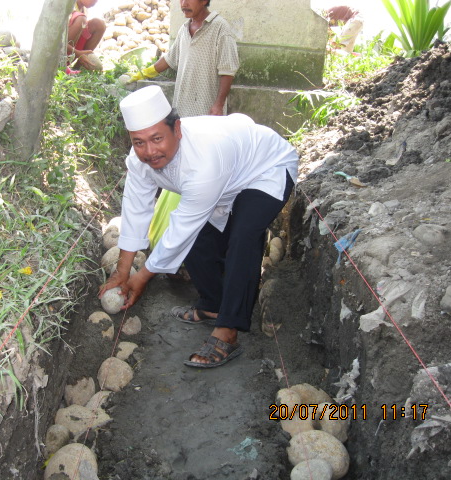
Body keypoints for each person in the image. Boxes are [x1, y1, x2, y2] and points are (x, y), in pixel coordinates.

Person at [99, 86, 298, 368]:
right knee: (198, 237)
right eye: (139, 142)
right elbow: (135, 208)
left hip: (266, 169)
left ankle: (228, 329)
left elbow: (183, 226)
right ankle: (213, 305)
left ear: (177, 129)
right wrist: (122, 272)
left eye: (157, 138)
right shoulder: (139, 160)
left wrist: (141, 277)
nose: (150, 151)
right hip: (227, 177)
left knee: (243, 237)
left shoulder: (204, 156)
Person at [127, 0, 240, 247]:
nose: (184, 3)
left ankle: (197, 239)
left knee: (200, 174)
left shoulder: (220, 29)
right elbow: (169, 60)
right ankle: (171, 238)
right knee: (177, 169)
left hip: (207, 118)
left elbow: (228, 70)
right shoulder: (184, 29)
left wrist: (218, 104)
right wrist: (143, 73)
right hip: (184, 114)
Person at [66, 0, 106, 72]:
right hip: (56, 53)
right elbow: (57, 42)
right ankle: (61, 66)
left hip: (71, 53)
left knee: (99, 24)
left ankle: (79, 67)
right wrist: (78, 53)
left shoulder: (83, 9)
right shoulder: (67, 6)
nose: (95, 2)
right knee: (81, 19)